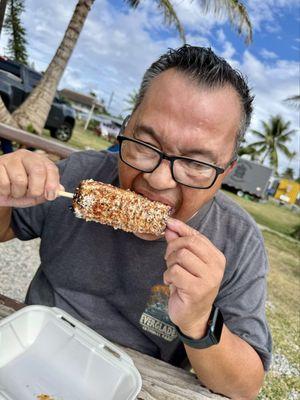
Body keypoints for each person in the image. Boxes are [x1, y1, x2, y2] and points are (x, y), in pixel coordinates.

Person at [0, 46, 271, 399]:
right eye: (144, 144)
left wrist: (200, 321)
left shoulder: (237, 240)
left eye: (195, 163)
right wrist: (3, 194)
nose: (158, 180)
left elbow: (245, 387)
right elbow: (5, 228)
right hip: (28, 355)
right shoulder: (78, 174)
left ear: (226, 173)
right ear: (125, 129)